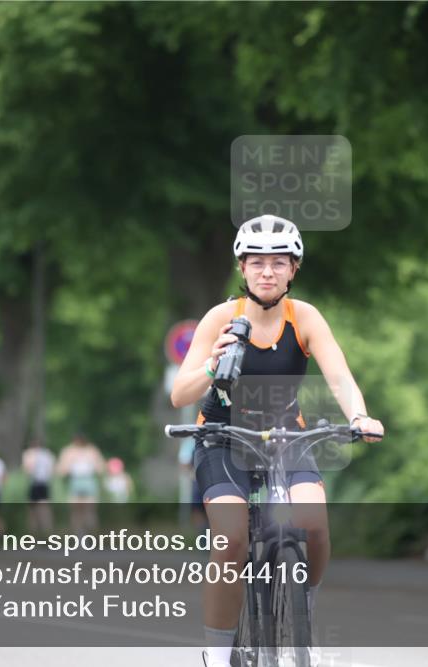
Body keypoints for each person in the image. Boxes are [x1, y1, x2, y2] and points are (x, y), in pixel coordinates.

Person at [169, 215, 384, 667]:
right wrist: (212, 363)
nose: (268, 271)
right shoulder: (220, 319)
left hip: (287, 435)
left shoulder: (303, 317)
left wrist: (359, 416)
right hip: (223, 437)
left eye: (279, 262)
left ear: (294, 269)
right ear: (242, 268)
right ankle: (217, 653)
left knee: (314, 522)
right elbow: (179, 395)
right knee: (230, 540)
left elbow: (339, 376)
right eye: (258, 262)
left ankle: (303, 604)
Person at [57, 433, 106, 535]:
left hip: (89, 481)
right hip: (75, 482)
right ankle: (79, 536)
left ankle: (90, 535)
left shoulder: (92, 451)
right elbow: (61, 470)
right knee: (76, 511)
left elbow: (101, 469)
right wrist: (70, 464)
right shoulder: (69, 451)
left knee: (89, 510)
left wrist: (92, 463)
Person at [22, 438, 56, 535]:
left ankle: (41, 532)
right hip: (42, 483)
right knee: (41, 509)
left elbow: (27, 469)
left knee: (37, 510)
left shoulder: (30, 454)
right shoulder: (47, 454)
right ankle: (43, 532)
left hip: (38, 483)